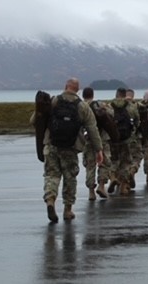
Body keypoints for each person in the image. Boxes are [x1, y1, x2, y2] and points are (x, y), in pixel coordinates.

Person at [40, 78, 103, 223]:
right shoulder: (82, 106)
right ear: (77, 89)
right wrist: (99, 149)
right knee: (70, 178)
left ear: (65, 86)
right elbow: (92, 129)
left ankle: (50, 200)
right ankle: (68, 210)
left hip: (52, 145)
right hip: (71, 148)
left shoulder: (54, 101)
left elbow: (35, 120)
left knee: (51, 175)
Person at [81, 87, 113, 201]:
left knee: (90, 165)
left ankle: (91, 192)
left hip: (87, 139)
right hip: (102, 138)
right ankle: (101, 185)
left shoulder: (80, 106)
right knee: (104, 162)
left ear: (83, 95)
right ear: (93, 95)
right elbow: (111, 114)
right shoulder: (100, 104)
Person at [108, 87, 139, 195]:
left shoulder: (109, 106)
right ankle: (123, 186)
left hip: (112, 139)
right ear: (125, 94)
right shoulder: (131, 107)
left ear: (116, 94)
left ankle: (112, 177)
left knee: (113, 160)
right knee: (125, 162)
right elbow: (137, 122)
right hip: (127, 139)